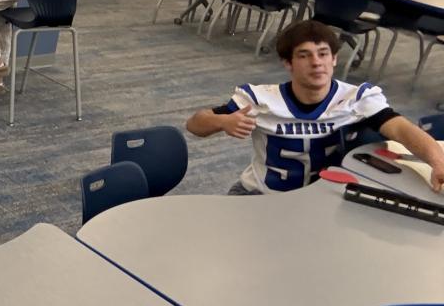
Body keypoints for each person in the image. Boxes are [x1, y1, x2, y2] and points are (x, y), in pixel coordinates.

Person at [186, 20, 444, 194]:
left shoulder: (355, 99)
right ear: (288, 63)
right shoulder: (260, 99)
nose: (316, 62)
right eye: (304, 55)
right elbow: (195, 125)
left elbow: (401, 129)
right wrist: (222, 121)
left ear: (334, 59)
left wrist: (438, 161)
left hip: (321, 198)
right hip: (260, 194)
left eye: (323, 54)